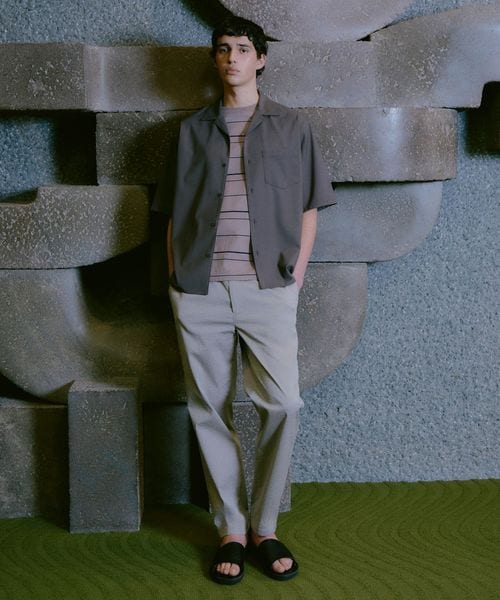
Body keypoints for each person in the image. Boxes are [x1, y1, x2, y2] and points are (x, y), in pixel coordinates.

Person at [152, 15, 335, 585]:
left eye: (243, 49)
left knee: (283, 404)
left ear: (261, 59)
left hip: (268, 289)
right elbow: (172, 211)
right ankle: (231, 529)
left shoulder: (293, 126)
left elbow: (309, 206)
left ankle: (265, 525)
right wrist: (177, 275)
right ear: (215, 59)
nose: (232, 57)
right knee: (208, 408)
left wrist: (295, 277)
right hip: (199, 290)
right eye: (223, 49)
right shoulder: (190, 131)